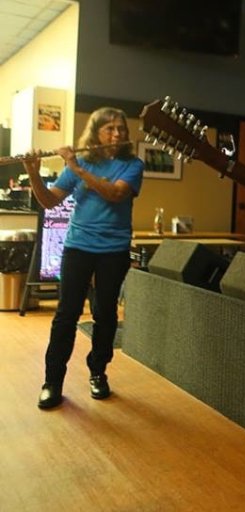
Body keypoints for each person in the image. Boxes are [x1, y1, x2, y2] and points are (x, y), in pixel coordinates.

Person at [23, 107, 144, 410]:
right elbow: (50, 201)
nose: (117, 134)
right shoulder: (84, 161)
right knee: (66, 314)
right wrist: (34, 172)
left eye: (121, 129)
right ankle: (52, 382)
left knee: (105, 314)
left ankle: (98, 372)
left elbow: (115, 194)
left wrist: (75, 167)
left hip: (113, 251)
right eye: (110, 129)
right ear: (96, 133)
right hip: (78, 246)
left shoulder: (132, 164)